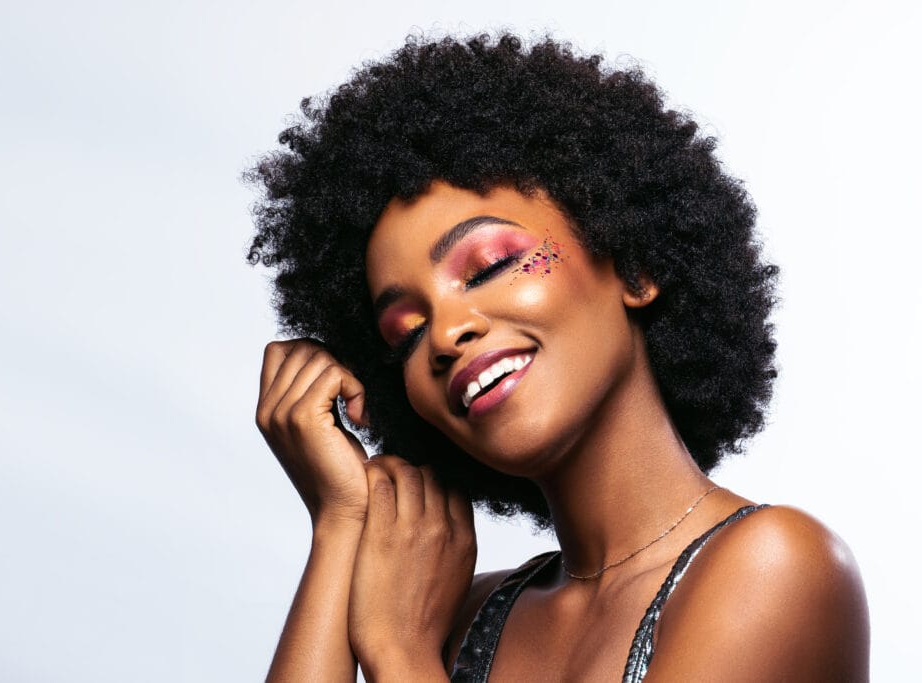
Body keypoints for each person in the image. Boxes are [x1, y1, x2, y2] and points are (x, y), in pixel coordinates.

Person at [247, 33, 869, 681]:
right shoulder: (455, 614)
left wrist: (397, 653)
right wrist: (341, 521)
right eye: (407, 332)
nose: (445, 334)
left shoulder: (774, 565)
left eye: (488, 266)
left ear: (635, 266)